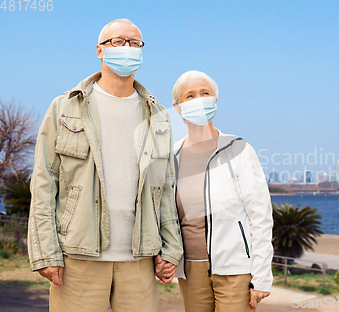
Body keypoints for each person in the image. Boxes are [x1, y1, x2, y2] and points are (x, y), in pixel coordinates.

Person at [27, 18, 182, 312]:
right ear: (100, 50)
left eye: (135, 43)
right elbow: (44, 182)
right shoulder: (64, 107)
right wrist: (45, 252)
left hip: (140, 260)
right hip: (78, 259)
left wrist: (171, 249)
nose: (127, 48)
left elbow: (165, 188)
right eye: (118, 42)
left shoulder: (158, 115)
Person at [156, 70, 273, 311]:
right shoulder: (170, 157)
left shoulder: (238, 149)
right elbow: (164, 217)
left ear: (215, 100)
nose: (199, 99)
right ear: (177, 108)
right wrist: (164, 257)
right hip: (191, 270)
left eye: (205, 93)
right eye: (190, 96)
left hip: (235, 269)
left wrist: (261, 276)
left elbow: (260, 217)